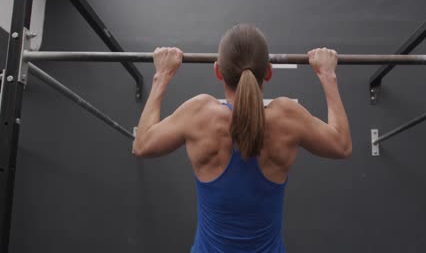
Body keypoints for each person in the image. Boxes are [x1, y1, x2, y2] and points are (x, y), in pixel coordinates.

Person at [133, 24, 352, 253]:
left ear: (218, 71)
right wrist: (327, 75)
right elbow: (342, 145)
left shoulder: (199, 114)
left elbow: (142, 144)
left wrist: (162, 76)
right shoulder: (287, 118)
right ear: (268, 72)